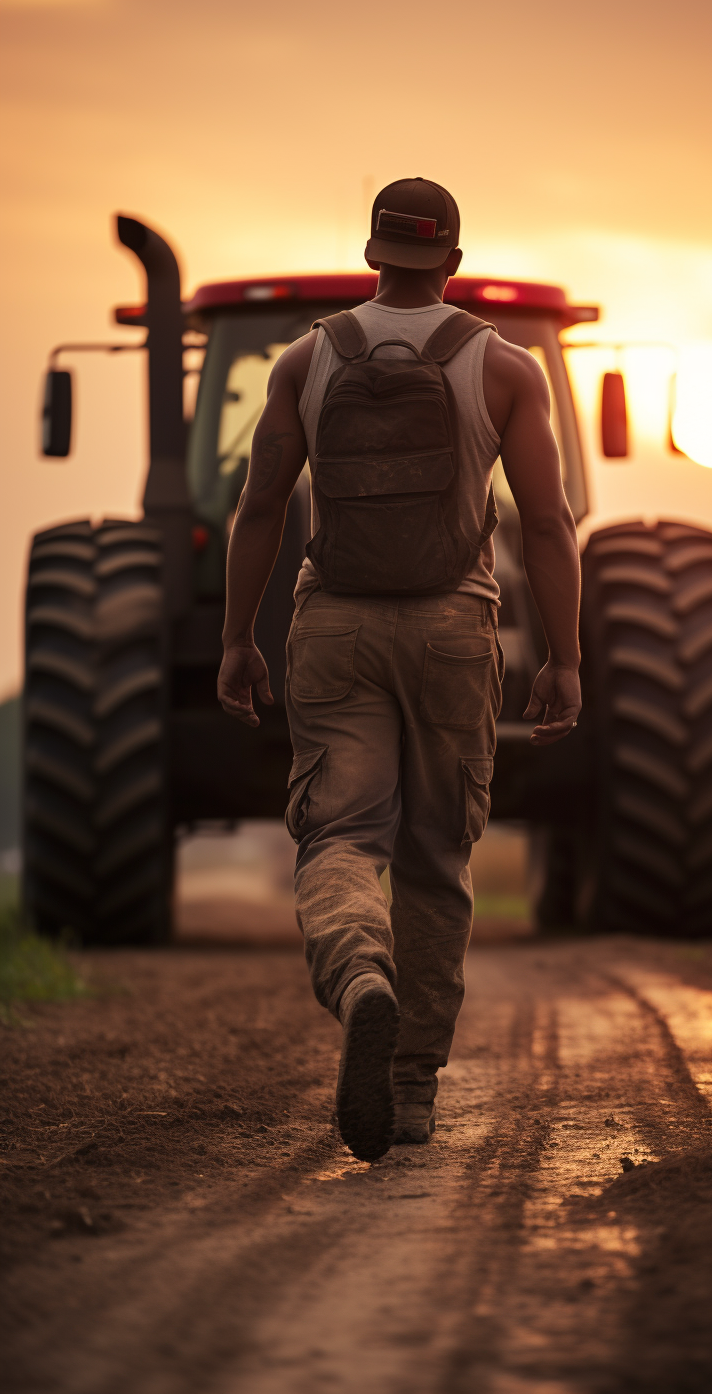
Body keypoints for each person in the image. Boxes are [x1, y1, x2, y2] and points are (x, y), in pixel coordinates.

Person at [218, 178, 581, 1162]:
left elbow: (259, 508)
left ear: (371, 254)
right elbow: (545, 522)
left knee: (337, 836)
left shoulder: (305, 360)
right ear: (453, 265)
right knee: (434, 860)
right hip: (456, 629)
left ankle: (359, 974)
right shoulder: (505, 368)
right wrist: (565, 656)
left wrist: (237, 640)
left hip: (333, 624)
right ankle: (413, 1089)